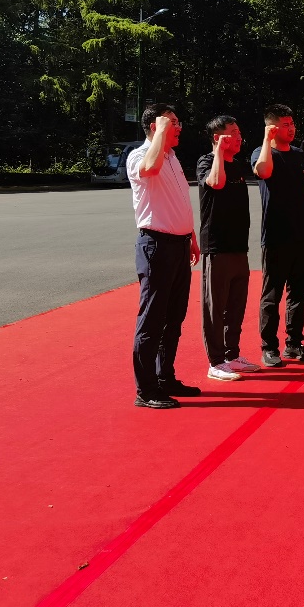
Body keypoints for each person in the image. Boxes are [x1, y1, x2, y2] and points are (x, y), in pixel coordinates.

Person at [127, 102, 201, 409]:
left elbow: (178, 201)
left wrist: (190, 236)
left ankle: (164, 377)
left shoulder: (172, 157)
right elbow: (150, 169)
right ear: (155, 127)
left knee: (173, 319)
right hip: (156, 246)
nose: (179, 127)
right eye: (173, 123)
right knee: (152, 319)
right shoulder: (139, 156)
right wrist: (160, 131)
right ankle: (146, 389)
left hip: (179, 245)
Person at [251, 104, 304, 367]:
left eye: (292, 124)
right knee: (272, 295)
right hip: (276, 236)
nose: (291, 129)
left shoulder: (299, 155)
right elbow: (263, 172)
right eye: (285, 124)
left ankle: (294, 343)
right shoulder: (261, 153)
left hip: (302, 236)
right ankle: (269, 347)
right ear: (271, 127)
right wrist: (266, 140)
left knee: (299, 294)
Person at [197, 115, 259, 382]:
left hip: (238, 246)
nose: (239, 137)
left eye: (239, 131)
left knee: (235, 306)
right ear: (217, 137)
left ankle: (232, 355)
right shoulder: (206, 162)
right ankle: (216, 362)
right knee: (215, 307)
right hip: (217, 246)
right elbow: (216, 183)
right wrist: (219, 153)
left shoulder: (238, 165)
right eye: (232, 133)